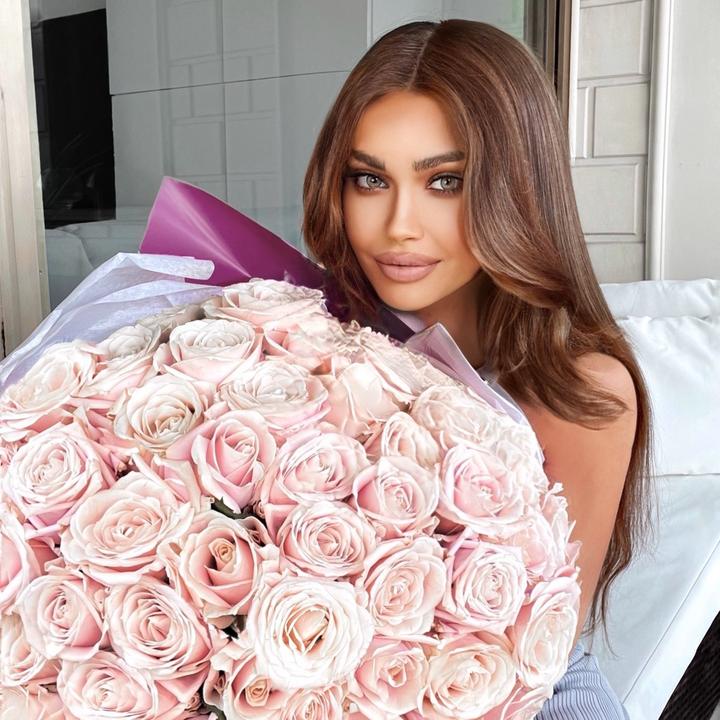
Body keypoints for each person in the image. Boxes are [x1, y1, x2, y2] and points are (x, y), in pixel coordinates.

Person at [301, 18, 656, 719]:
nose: (399, 224)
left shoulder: (580, 391)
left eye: (446, 181)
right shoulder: (301, 344)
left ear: (516, 190)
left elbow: (541, 648)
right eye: (369, 179)